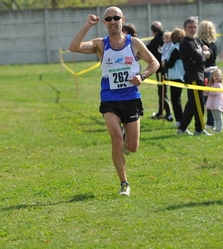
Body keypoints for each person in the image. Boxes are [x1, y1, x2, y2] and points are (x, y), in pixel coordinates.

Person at [68, 6, 159, 196]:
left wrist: (142, 76)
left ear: (122, 20)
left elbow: (154, 63)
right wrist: (87, 25)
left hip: (131, 98)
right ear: (104, 22)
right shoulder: (101, 44)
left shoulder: (134, 43)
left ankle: (127, 140)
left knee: (132, 147)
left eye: (116, 18)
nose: (112, 21)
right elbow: (73, 47)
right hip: (109, 98)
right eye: (108, 19)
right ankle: (124, 182)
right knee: (116, 140)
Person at [177, 16, 212, 136]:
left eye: (195, 27)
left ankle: (182, 129)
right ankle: (199, 129)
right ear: (185, 29)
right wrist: (202, 55)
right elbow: (200, 58)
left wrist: (203, 54)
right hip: (193, 77)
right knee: (198, 104)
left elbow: (210, 53)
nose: (193, 29)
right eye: (190, 27)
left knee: (192, 104)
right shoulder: (185, 43)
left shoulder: (197, 41)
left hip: (201, 75)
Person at [147, 21, 173, 122]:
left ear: (153, 31)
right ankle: (160, 112)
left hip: (161, 70)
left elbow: (146, 49)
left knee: (162, 91)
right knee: (162, 91)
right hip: (167, 69)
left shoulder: (156, 41)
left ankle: (169, 114)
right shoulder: (167, 37)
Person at [197, 20, 218, 130]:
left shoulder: (201, 44)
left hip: (207, 73)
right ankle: (212, 121)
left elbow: (207, 56)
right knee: (213, 97)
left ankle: (210, 122)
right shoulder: (214, 44)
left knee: (206, 99)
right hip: (215, 72)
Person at [165, 27, 185, 127]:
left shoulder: (176, 49)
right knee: (177, 99)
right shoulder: (182, 47)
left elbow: (171, 63)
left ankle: (179, 120)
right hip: (181, 75)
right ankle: (181, 119)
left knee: (175, 99)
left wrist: (165, 64)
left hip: (176, 76)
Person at [206, 68, 223, 133]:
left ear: (221, 77)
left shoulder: (219, 85)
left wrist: (209, 90)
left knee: (219, 117)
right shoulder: (212, 85)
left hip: (217, 103)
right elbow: (207, 93)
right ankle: (216, 128)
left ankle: (219, 129)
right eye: (215, 75)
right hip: (212, 103)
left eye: (218, 75)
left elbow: (215, 92)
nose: (217, 77)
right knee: (215, 117)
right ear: (212, 76)